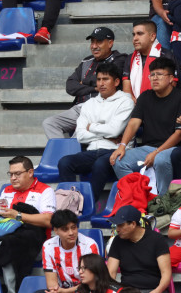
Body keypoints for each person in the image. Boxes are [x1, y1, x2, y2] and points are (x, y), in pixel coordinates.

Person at [0, 156, 55, 293]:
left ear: (30, 173)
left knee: (9, 247)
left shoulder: (45, 191)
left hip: (34, 241)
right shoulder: (7, 190)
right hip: (5, 235)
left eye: (17, 174)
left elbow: (48, 221)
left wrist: (18, 215)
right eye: (10, 174)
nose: (13, 178)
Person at [112, 57, 181, 196]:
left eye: (160, 75)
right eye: (152, 75)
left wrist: (157, 153)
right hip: (148, 147)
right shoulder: (145, 97)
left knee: (160, 160)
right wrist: (122, 146)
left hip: (173, 148)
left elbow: (179, 133)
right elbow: (133, 123)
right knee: (118, 160)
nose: (155, 78)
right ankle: (137, 197)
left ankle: (162, 201)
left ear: (171, 78)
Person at [57, 62, 134, 200]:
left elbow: (114, 130)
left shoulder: (126, 102)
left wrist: (91, 127)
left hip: (116, 152)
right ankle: (70, 202)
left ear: (116, 81)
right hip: (92, 151)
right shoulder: (89, 104)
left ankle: (87, 204)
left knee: (100, 165)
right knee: (64, 162)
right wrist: (106, 135)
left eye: (106, 79)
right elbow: (80, 135)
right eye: (98, 79)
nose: (101, 83)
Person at [42, 27, 128, 139]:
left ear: (110, 43)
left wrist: (84, 81)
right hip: (80, 107)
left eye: (99, 42)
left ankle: (66, 155)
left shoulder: (120, 59)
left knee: (78, 136)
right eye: (92, 42)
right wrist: (93, 88)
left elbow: (101, 79)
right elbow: (70, 86)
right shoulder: (87, 61)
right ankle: (62, 153)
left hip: (101, 109)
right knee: (49, 123)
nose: (94, 46)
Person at [31, 210, 100, 293]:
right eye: (65, 229)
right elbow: (52, 283)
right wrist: (55, 292)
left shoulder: (89, 245)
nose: (71, 232)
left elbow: (93, 282)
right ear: (56, 230)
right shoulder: (48, 246)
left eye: (73, 227)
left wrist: (64, 292)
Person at [106, 205, 172, 293]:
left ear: (133, 224)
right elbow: (110, 273)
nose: (117, 229)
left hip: (153, 290)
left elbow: (166, 273)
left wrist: (158, 291)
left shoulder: (157, 240)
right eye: (116, 226)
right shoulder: (118, 241)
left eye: (120, 225)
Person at [122, 20, 177, 102]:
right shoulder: (130, 58)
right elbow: (127, 91)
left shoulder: (167, 56)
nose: (135, 38)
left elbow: (172, 85)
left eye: (140, 34)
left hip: (161, 104)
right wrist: (139, 107)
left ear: (152, 36)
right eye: (134, 35)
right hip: (135, 106)